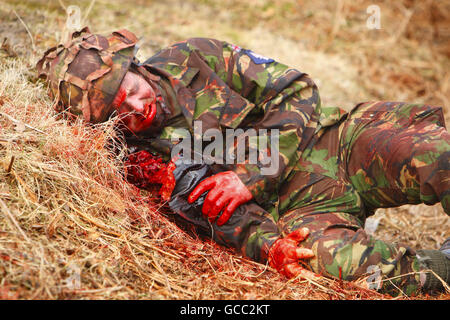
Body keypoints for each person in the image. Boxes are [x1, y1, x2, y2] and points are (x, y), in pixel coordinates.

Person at [36, 27, 450, 296]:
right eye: (115, 108)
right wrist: (271, 245)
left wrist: (251, 173)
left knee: (434, 156)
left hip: (335, 143)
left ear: (135, 65)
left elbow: (297, 90)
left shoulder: (196, 56)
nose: (134, 106)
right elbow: (213, 212)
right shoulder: (135, 154)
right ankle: (442, 267)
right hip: (298, 212)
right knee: (338, 263)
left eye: (127, 87)